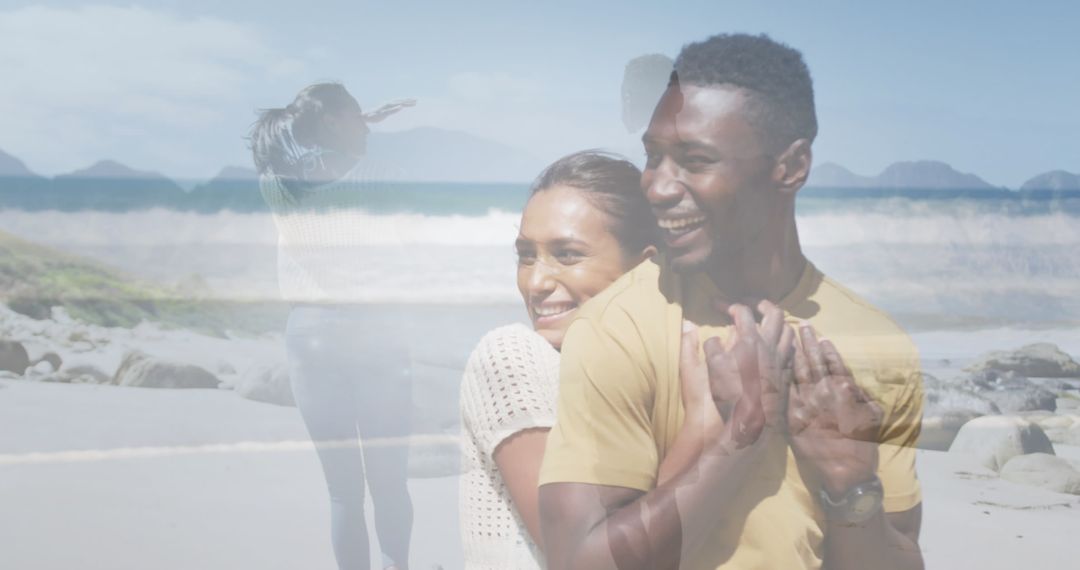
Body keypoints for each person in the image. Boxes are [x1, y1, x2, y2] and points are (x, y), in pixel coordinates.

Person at [538, 34, 925, 569]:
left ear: (790, 167)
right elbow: (578, 562)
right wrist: (738, 438)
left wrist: (850, 485)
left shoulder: (876, 343)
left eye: (695, 160)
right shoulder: (618, 327)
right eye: (653, 156)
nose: (656, 187)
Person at [459, 151, 730, 569]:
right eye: (526, 254)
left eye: (566, 254)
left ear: (645, 268)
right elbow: (593, 559)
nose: (534, 281)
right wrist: (705, 434)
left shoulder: (652, 370)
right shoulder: (513, 358)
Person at [249, 82, 416, 570]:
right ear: (333, 122)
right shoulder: (386, 177)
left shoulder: (278, 184)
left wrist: (343, 122)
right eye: (355, 119)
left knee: (342, 492)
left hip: (310, 336)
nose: (364, 127)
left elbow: (286, 154)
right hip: (378, 332)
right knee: (389, 482)